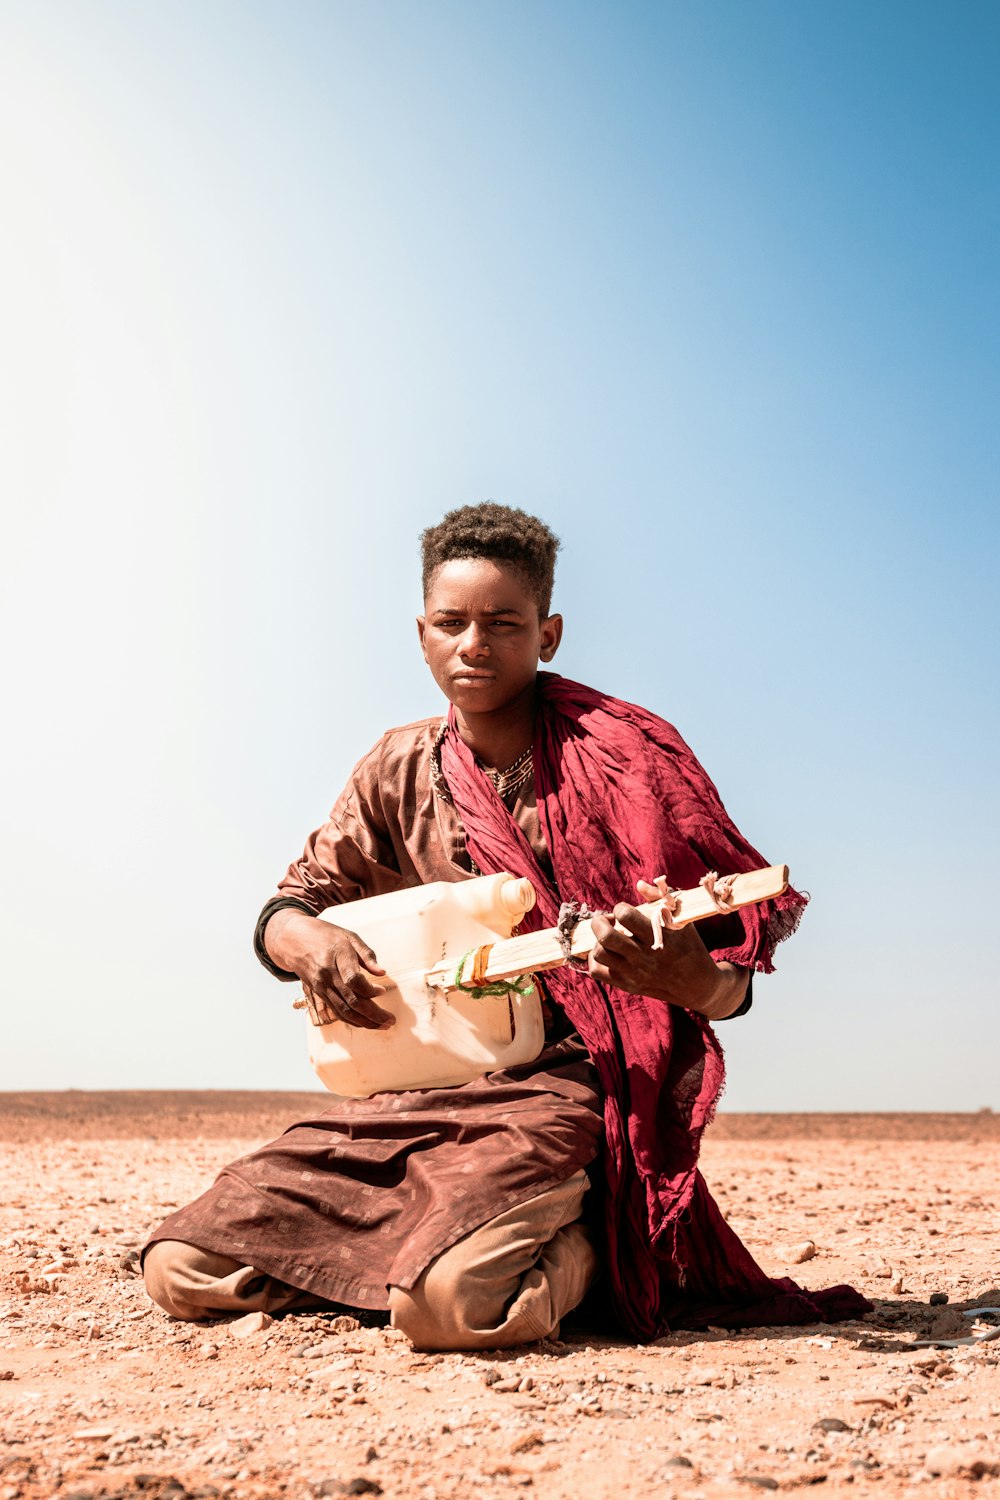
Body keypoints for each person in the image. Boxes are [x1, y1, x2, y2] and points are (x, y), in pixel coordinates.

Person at [143, 503, 867, 1348]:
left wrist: (689, 983)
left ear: (548, 634)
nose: (474, 645)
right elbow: (289, 907)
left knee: (452, 1308)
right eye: (451, 623)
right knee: (181, 1266)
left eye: (503, 623)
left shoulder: (630, 755)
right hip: (420, 1092)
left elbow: (731, 971)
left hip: (566, 1087)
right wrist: (312, 943)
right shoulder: (397, 766)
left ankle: (593, 1244)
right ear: (421, 635)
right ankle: (429, 1250)